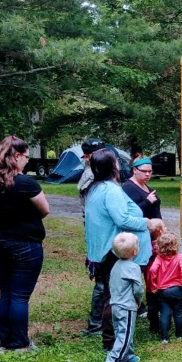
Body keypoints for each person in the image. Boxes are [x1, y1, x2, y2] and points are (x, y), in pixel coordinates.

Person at [0, 136, 50, 353]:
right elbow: (45, 210)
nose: (28, 161)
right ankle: (19, 343)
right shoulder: (26, 183)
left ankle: (5, 342)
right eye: (26, 157)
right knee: (19, 296)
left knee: (6, 293)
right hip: (25, 243)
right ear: (17, 156)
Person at [85, 149, 153, 351]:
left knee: (109, 292)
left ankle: (113, 339)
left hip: (101, 250)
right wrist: (146, 223)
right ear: (113, 166)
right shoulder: (111, 190)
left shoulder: (94, 188)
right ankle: (112, 341)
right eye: (116, 161)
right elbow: (122, 219)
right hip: (112, 250)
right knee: (115, 297)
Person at [122, 155, 161, 327]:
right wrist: (147, 201)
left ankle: (152, 307)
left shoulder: (145, 186)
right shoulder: (128, 188)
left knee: (153, 273)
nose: (147, 174)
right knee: (137, 272)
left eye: (150, 171)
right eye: (144, 171)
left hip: (153, 236)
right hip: (139, 237)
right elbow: (128, 215)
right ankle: (136, 306)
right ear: (134, 170)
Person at [103, 233, 143, 362]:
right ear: (135, 251)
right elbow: (138, 289)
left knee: (122, 332)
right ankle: (112, 361)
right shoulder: (133, 268)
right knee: (124, 336)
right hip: (127, 306)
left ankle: (128, 355)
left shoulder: (116, 265)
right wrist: (138, 301)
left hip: (114, 305)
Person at [79, 138, 106, 336]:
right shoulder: (91, 177)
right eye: (98, 153)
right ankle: (95, 323)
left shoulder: (100, 174)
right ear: (87, 158)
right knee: (102, 277)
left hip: (103, 230)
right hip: (98, 231)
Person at [148, 231, 182, 344]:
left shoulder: (159, 258)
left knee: (165, 313)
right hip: (176, 289)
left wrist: (153, 285)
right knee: (178, 313)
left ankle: (165, 337)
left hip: (163, 291)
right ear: (176, 245)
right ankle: (179, 335)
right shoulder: (180, 257)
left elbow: (152, 270)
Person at [144, 219, 167, 334]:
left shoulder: (146, 246)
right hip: (162, 280)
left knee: (151, 305)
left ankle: (153, 326)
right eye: (165, 227)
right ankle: (164, 325)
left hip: (149, 281)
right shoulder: (162, 248)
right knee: (163, 304)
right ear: (160, 231)